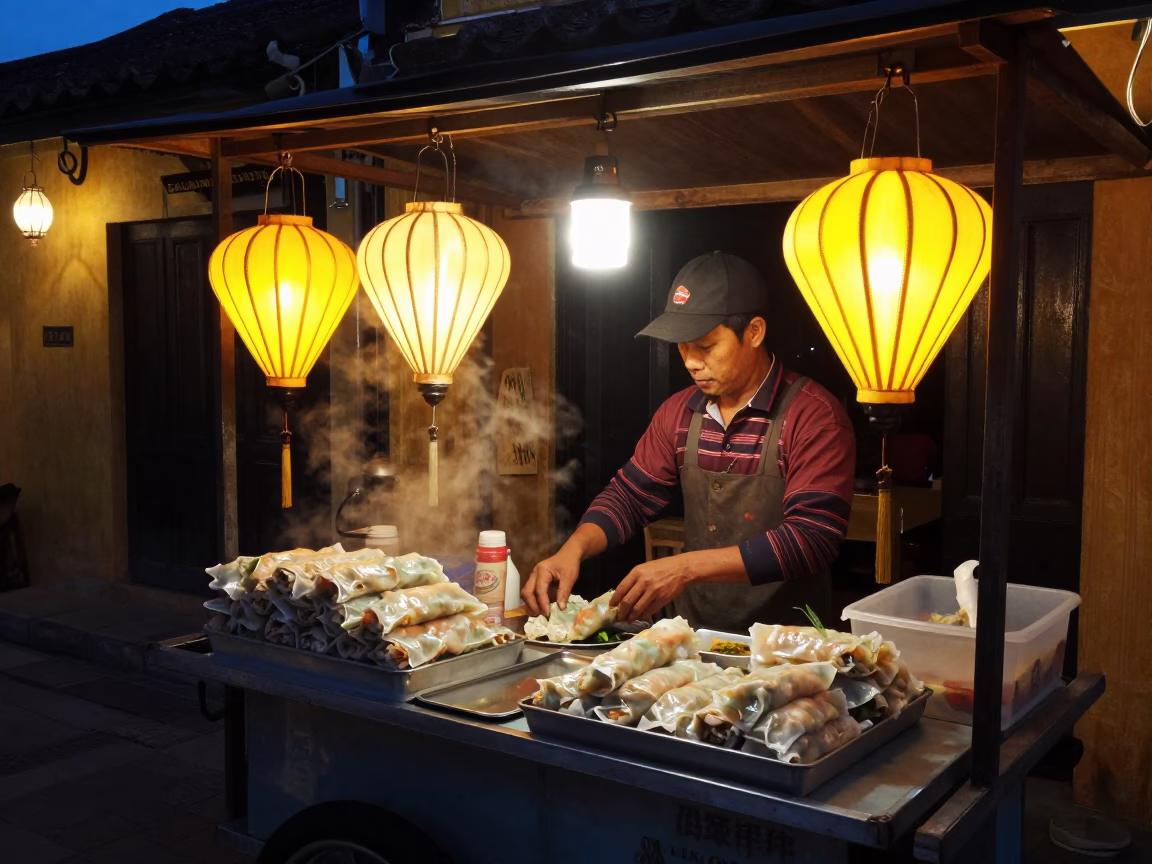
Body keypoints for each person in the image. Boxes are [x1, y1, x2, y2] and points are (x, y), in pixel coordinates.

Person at [523, 252, 856, 632]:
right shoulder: (680, 413)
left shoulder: (813, 416)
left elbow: (812, 539)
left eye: (705, 346)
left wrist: (683, 568)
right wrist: (574, 550)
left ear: (755, 332)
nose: (690, 362)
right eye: (682, 347)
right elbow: (630, 497)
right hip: (693, 639)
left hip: (789, 647)